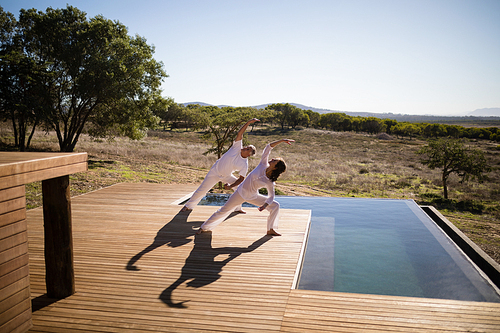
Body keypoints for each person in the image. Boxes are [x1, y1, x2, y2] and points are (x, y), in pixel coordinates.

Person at [197, 138, 294, 236]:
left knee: (275, 205)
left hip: (253, 196)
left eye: (275, 161)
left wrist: (264, 206)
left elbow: (271, 196)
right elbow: (268, 148)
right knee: (223, 210)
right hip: (240, 193)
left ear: (276, 167)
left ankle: (271, 229)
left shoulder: (270, 182)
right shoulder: (263, 164)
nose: (272, 159)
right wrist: (281, 140)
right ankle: (204, 227)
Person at [180, 118, 259, 212]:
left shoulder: (244, 164)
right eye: (246, 146)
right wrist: (248, 123)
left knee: (240, 188)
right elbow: (240, 134)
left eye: (247, 149)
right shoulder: (237, 148)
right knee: (202, 190)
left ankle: (237, 208)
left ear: (249, 154)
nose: (245, 147)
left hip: (226, 176)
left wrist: (230, 186)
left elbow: (241, 178)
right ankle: (188, 206)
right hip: (215, 172)